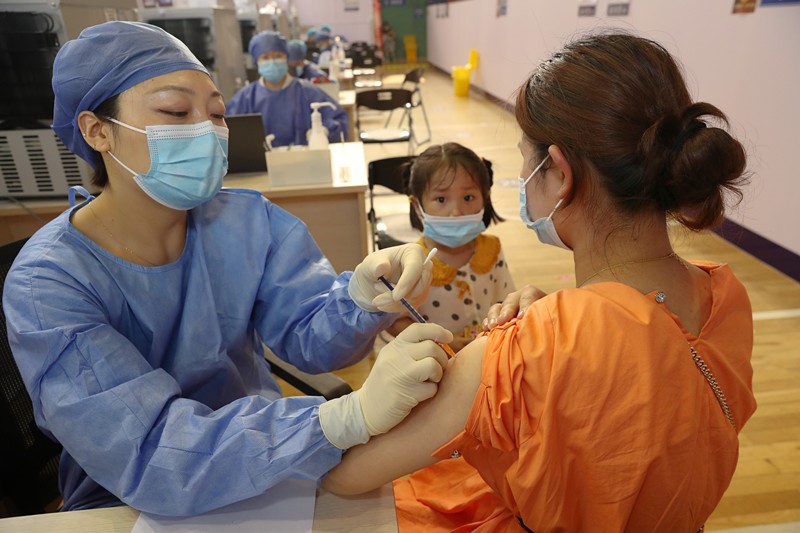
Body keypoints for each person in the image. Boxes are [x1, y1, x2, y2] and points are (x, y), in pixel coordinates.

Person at [3, 21, 453, 517]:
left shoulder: (243, 221)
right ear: (97, 130)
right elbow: (148, 452)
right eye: (176, 111)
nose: (207, 130)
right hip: (127, 499)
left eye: (216, 113)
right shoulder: (48, 282)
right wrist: (342, 419)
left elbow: (309, 339)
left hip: (269, 461)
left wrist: (363, 297)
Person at [322, 32, 756, 532]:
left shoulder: (525, 348)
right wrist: (567, 315)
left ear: (561, 174)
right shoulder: (726, 297)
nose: (523, 175)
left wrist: (368, 400)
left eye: (526, 159)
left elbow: (346, 476)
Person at [386, 143, 516, 352]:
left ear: (486, 197)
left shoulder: (491, 249)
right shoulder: (412, 263)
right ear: (417, 206)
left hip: (487, 355)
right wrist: (438, 342)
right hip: (436, 365)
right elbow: (395, 321)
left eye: (468, 197)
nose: (456, 211)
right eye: (441, 199)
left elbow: (507, 299)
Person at [226, 31, 348, 147]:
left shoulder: (307, 92)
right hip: (262, 166)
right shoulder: (245, 98)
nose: (272, 62)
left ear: (286, 58)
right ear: (257, 61)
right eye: (265, 57)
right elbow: (228, 133)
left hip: (304, 162)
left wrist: (325, 131)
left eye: (277, 56)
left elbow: (340, 119)